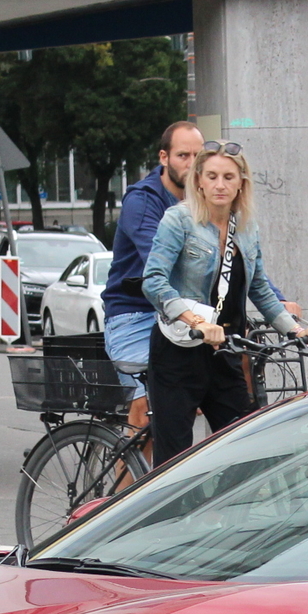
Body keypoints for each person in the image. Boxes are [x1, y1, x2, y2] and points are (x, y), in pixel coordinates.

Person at [140, 143, 308, 465]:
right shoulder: (179, 221)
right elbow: (153, 280)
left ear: (241, 183)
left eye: (228, 177)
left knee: (242, 446)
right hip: (179, 351)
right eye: (212, 176)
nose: (220, 185)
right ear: (198, 181)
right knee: (175, 459)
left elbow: (260, 289)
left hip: (226, 351)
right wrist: (196, 322)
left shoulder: (246, 228)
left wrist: (296, 330)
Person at [102, 120, 202, 440]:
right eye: (183, 155)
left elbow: (236, 253)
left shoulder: (207, 200)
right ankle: (125, 491)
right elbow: (161, 266)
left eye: (197, 156)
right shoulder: (143, 201)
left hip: (179, 316)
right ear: (164, 158)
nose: (191, 164)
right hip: (134, 316)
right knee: (145, 414)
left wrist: (277, 298)